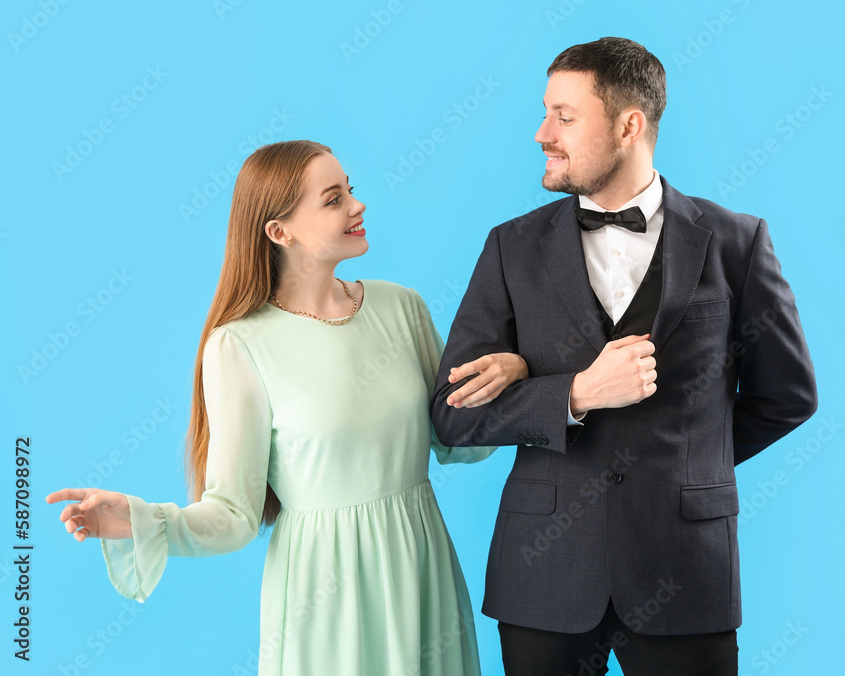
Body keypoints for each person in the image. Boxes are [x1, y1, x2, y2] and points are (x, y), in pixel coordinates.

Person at [46, 139, 529, 676]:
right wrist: (141, 522)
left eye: (351, 191)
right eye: (332, 199)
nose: (356, 205)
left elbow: (460, 441)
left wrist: (515, 375)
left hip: (423, 570)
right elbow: (232, 515)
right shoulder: (238, 345)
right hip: (324, 596)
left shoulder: (402, 307)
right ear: (280, 232)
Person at [432, 38, 819, 675]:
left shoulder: (736, 242)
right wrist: (575, 395)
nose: (540, 133)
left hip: (686, 571)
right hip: (544, 577)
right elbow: (453, 415)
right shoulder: (511, 247)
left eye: (564, 116)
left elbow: (788, 397)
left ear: (628, 125)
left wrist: (689, 461)